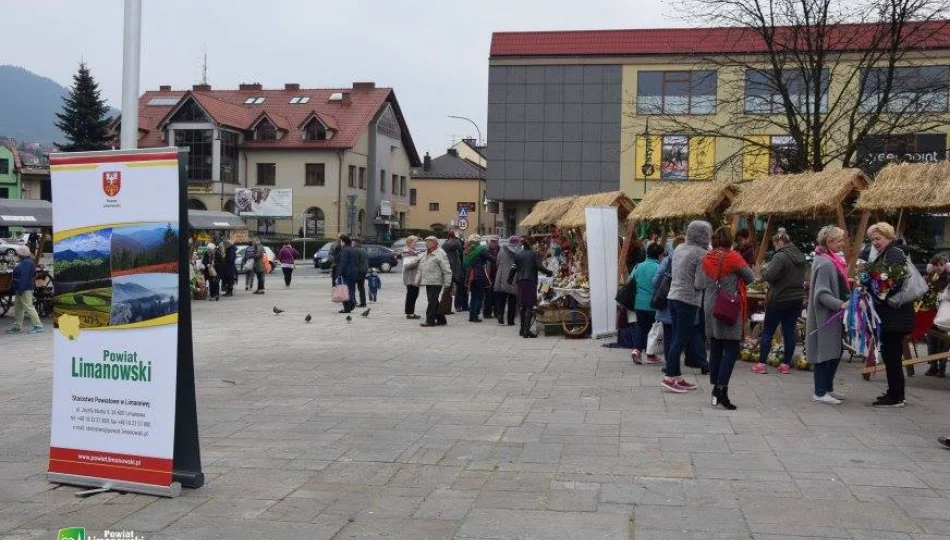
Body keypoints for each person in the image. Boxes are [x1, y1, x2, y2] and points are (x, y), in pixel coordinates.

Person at [696, 227, 755, 410]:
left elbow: (698, 283)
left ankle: (715, 388)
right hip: (729, 306)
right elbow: (751, 277)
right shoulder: (733, 257)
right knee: (730, 349)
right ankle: (722, 389)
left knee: (715, 347)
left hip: (710, 306)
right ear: (730, 240)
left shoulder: (706, 258)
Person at [860, 222, 914, 408]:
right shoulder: (889, 253)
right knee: (892, 355)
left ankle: (896, 396)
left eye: (878, 238)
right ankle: (895, 393)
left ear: (888, 237)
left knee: (892, 355)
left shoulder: (893, 254)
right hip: (892, 314)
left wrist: (870, 285)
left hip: (895, 313)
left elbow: (891, 285)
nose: (875, 242)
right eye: (872, 239)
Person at [662, 221, 711, 393]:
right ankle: (669, 376)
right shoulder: (703, 254)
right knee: (680, 339)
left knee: (676, 336)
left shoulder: (679, 248)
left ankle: (676, 375)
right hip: (688, 300)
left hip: (673, 296)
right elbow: (699, 283)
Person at [807, 225, 851, 405]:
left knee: (835, 351)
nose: (842, 244)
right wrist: (841, 303)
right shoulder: (825, 263)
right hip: (825, 316)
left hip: (830, 316)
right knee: (824, 353)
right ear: (830, 241)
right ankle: (820, 391)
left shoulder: (828, 259)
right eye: (839, 240)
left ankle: (827, 388)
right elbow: (822, 294)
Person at [758, 227, 807, 375]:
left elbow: (769, 276)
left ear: (780, 241)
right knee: (789, 332)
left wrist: (763, 270)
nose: (775, 247)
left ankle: (761, 365)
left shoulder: (780, 257)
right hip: (796, 298)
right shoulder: (801, 256)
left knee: (768, 332)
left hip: (779, 298)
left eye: (775, 244)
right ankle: (786, 365)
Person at [653, 235, 686, 362]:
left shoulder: (668, 260)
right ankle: (674, 362)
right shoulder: (688, 260)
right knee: (678, 334)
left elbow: (656, 280)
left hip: (667, 301)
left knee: (668, 334)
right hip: (683, 301)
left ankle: (670, 362)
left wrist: (660, 290)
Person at [513, 237, 553, 338]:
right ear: (531, 244)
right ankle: (527, 330)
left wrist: (509, 279)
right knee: (529, 305)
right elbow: (539, 266)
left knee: (523, 305)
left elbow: (513, 268)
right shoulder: (534, 253)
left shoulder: (518, 253)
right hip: (530, 281)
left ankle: (522, 329)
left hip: (520, 281)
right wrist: (549, 272)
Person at [631, 243, 664, 364]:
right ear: (660, 255)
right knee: (653, 330)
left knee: (641, 327)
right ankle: (650, 355)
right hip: (653, 304)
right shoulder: (659, 267)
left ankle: (636, 350)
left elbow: (631, 280)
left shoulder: (638, 266)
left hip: (639, 303)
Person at [5, 245, 43, 334]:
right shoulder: (26, 262)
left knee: (28, 307)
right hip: (22, 288)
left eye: (17, 253)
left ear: (21, 254)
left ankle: (38, 325)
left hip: (25, 288)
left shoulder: (26, 263)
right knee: (18, 307)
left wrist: (20, 289)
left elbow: (24, 278)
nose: (16, 255)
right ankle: (17, 326)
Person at [417, 236, 453, 327]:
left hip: (436, 281)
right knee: (433, 301)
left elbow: (447, 270)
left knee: (432, 302)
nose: (426, 244)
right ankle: (441, 320)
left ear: (435, 243)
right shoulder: (426, 253)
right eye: (426, 242)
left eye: (429, 242)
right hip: (428, 281)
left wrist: (447, 284)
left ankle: (430, 321)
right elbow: (419, 260)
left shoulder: (440, 253)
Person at [924, 255, 949, 378]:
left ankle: (942, 367)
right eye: (935, 265)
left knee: (943, 341)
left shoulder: (948, 278)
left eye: (941, 265)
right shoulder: (930, 278)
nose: (938, 268)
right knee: (931, 340)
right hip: (932, 312)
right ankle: (932, 365)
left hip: (944, 315)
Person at [462, 234, 495, 323]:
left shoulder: (467, 250)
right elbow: (492, 259)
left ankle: (471, 316)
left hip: (470, 276)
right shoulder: (481, 250)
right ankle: (475, 315)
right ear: (477, 242)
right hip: (479, 275)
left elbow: (465, 264)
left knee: (473, 297)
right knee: (479, 296)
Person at [493, 236, 520, 326]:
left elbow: (497, 261)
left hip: (501, 276)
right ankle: (510, 320)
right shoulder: (518, 252)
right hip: (513, 277)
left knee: (502, 299)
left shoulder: (502, 250)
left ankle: (500, 316)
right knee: (512, 300)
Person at [443, 231, 467, 312]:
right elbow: (460, 248)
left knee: (448, 289)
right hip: (455, 269)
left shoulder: (445, 244)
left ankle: (448, 307)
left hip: (450, 268)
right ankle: (457, 306)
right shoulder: (454, 243)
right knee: (459, 288)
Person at [401, 236, 422, 320]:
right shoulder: (407, 253)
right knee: (411, 295)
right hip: (410, 277)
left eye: (416, 242)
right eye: (414, 242)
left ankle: (410, 312)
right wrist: (418, 260)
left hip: (414, 276)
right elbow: (407, 266)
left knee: (414, 295)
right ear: (409, 243)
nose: (416, 244)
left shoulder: (413, 252)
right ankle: (410, 313)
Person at [337, 235, 359, 313]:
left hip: (346, 273)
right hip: (353, 273)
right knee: (351, 289)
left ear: (344, 242)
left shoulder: (345, 250)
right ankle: (352, 303)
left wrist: (339, 273)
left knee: (344, 290)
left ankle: (347, 307)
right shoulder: (352, 249)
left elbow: (343, 262)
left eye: (341, 241)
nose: (340, 243)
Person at [483, 238, 500, 319]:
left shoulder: (500, 250)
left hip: (497, 275)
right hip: (488, 275)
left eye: (495, 241)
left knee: (497, 295)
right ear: (489, 242)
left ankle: (497, 312)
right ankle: (487, 312)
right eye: (492, 241)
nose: (493, 243)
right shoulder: (485, 250)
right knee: (488, 295)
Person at [353, 238, 369, 307]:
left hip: (358, 271)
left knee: (352, 286)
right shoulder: (363, 249)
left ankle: (354, 302)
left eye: (353, 242)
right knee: (361, 287)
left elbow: (356, 262)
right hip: (364, 270)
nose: (352, 244)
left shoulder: (356, 250)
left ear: (356, 243)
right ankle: (363, 302)